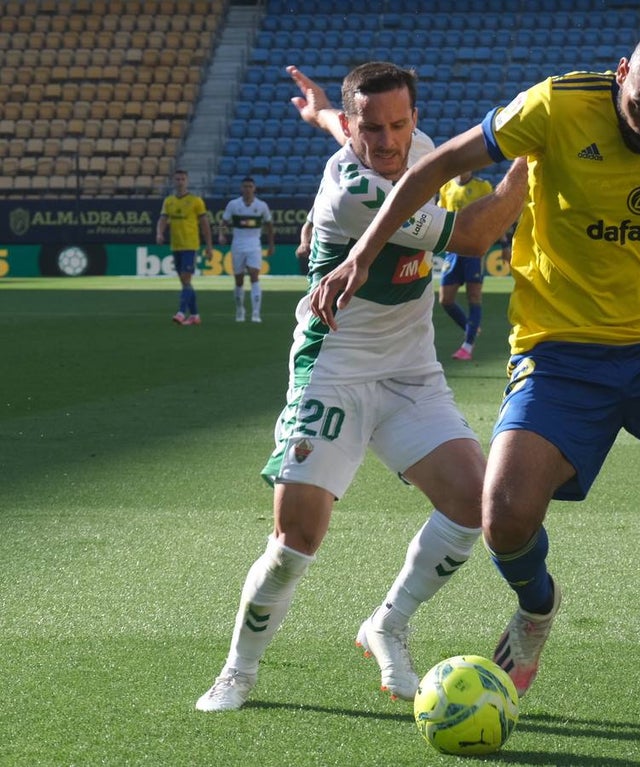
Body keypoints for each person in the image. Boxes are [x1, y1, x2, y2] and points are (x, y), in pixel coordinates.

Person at [308, 28, 640, 732]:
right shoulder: (555, 105)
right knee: (502, 515)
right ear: (621, 74)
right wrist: (361, 255)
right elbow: (435, 166)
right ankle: (537, 607)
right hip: (560, 351)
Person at [194, 61, 527, 712]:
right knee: (297, 540)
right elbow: (475, 233)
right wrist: (531, 163)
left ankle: (389, 622)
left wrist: (318, 110)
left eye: (400, 123)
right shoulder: (354, 190)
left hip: (410, 370)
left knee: (473, 504)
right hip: (333, 369)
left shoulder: (416, 150)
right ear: (356, 131)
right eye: (371, 129)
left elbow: (338, 124)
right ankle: (238, 669)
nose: (389, 141)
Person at [436, 170, 503, 360]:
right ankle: (471, 327)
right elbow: (441, 215)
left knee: (474, 296)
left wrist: (503, 243)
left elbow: (494, 217)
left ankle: (468, 345)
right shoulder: (446, 187)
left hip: (474, 250)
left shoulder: (483, 187)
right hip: (453, 251)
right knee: (445, 300)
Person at [157, 168, 212, 325]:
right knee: (185, 282)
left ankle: (181, 312)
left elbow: (205, 224)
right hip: (176, 245)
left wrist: (209, 246)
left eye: (182, 179)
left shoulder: (196, 201)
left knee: (186, 278)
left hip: (190, 245)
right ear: (173, 181)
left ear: (187, 181)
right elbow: (162, 219)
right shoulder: (169, 201)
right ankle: (195, 315)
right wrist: (159, 233)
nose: (180, 182)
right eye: (177, 179)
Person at [219, 176, 275, 323]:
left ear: (254, 188)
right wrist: (221, 234)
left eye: (250, 186)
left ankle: (256, 313)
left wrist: (271, 245)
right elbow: (223, 222)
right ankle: (240, 310)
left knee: (254, 275)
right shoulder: (233, 205)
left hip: (254, 245)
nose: (247, 189)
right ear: (241, 188)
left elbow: (269, 226)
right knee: (238, 280)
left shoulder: (262, 206)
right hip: (237, 244)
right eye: (245, 186)